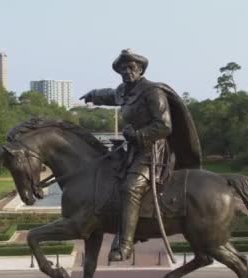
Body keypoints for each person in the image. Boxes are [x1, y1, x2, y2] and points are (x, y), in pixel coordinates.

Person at [80, 49, 201, 261]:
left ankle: (125, 245)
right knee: (109, 178)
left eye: (131, 68)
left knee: (131, 188)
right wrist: (93, 94)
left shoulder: (152, 91)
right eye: (122, 69)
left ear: (141, 69)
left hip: (153, 152)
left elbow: (164, 126)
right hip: (133, 149)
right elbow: (111, 95)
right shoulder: (125, 91)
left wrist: (137, 134)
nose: (127, 72)